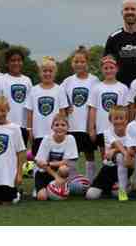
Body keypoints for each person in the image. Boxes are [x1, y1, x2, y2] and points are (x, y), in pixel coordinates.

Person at [61, 46, 99, 182]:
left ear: (87, 63)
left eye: (82, 61)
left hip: (87, 125)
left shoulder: (94, 80)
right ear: (72, 63)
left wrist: (93, 126)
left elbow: (96, 102)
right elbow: (60, 97)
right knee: (71, 155)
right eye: (76, 61)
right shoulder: (67, 81)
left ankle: (90, 181)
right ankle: (70, 181)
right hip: (72, 125)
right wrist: (66, 106)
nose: (79, 64)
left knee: (89, 154)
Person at [86, 105, 133, 201]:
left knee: (120, 156)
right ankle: (113, 187)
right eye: (116, 118)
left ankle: (123, 190)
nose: (119, 121)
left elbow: (132, 148)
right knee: (91, 195)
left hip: (126, 165)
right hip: (108, 168)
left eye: (121, 118)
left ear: (126, 120)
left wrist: (115, 151)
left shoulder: (131, 131)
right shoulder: (107, 132)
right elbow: (116, 143)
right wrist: (123, 152)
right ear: (110, 120)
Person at [26, 57, 69, 157]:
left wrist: (63, 130)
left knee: (54, 160)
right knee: (38, 160)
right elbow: (29, 113)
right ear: (40, 73)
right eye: (44, 71)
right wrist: (29, 130)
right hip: (38, 134)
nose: (47, 73)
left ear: (55, 73)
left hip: (55, 134)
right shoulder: (33, 90)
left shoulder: (59, 90)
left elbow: (62, 113)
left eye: (50, 71)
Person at [88, 55, 129, 152]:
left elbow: (126, 109)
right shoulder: (96, 88)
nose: (109, 70)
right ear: (102, 70)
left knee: (121, 153)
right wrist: (91, 129)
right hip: (102, 129)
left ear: (117, 69)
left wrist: (127, 126)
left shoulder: (123, 88)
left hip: (119, 129)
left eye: (111, 68)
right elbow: (93, 109)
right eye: (105, 68)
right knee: (105, 156)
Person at [0, 47, 33, 145]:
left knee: (21, 153)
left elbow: (31, 106)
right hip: (5, 125)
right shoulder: (1, 80)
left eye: (19, 60)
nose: (16, 63)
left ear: (22, 62)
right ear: (7, 63)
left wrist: (29, 127)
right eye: (13, 60)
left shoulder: (27, 80)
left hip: (23, 125)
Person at [34, 113, 78, 200]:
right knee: (42, 197)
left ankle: (63, 185)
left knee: (64, 168)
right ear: (52, 127)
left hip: (60, 172)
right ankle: (42, 189)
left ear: (68, 127)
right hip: (44, 173)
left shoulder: (70, 139)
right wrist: (56, 177)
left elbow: (67, 162)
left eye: (63, 125)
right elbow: (39, 163)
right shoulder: (47, 139)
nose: (60, 127)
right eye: (56, 125)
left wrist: (48, 163)